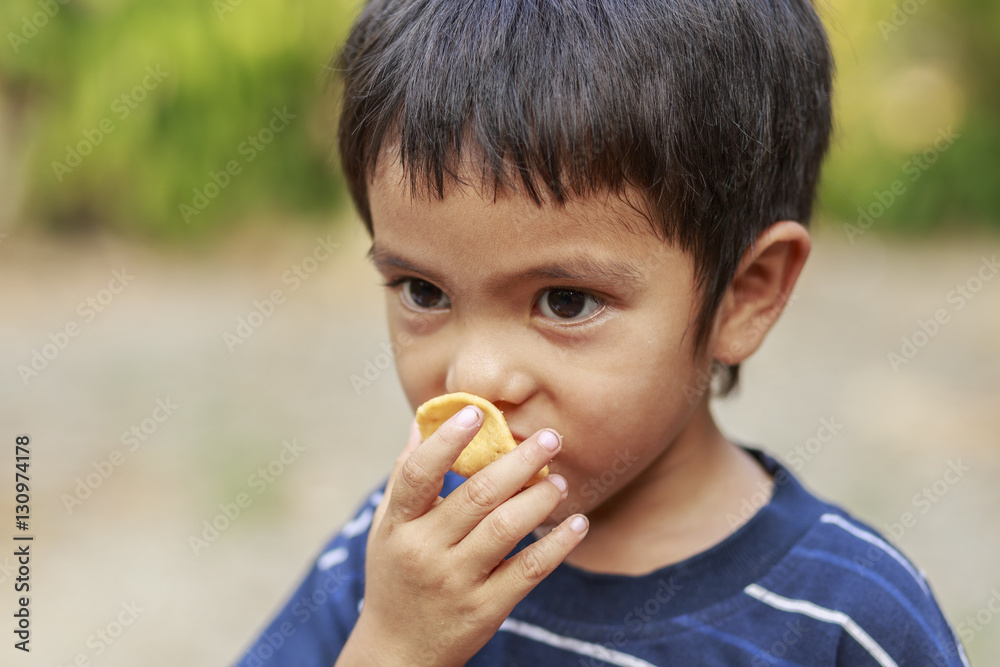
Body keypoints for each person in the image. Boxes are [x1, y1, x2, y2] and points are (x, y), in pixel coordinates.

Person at [237, 0, 969, 664]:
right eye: (423, 291)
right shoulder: (405, 556)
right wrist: (395, 644)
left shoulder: (844, 623)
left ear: (744, 296)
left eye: (565, 302)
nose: (472, 377)